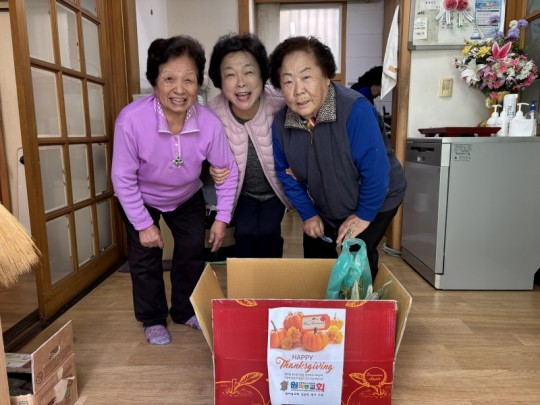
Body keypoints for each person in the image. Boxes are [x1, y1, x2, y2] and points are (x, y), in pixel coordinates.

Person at [111, 35, 238, 345]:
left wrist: (222, 218)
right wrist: (143, 224)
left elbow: (228, 170)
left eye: (188, 80)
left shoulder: (208, 123)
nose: (179, 89)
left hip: (186, 196)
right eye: (169, 78)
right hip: (141, 197)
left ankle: (184, 310)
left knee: (192, 252)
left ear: (198, 85)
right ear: (154, 81)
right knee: (145, 258)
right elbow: (122, 177)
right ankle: (153, 318)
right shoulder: (131, 120)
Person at [269, 36, 406, 279]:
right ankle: (323, 302)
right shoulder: (281, 123)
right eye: (288, 81)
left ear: (326, 75)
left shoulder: (355, 110)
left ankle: (362, 300)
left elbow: (376, 173)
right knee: (316, 251)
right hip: (327, 202)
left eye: (306, 77)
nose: (298, 90)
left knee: (355, 255)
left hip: (378, 195)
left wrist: (363, 215)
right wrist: (308, 214)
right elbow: (285, 173)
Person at [206, 33, 291, 258]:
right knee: (245, 234)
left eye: (249, 72)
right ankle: (245, 280)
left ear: (262, 74)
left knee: (268, 233)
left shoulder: (281, 103)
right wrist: (210, 168)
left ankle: (271, 279)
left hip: (275, 191)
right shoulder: (212, 114)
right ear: (219, 81)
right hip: (242, 192)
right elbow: (199, 152)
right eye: (230, 75)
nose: (241, 82)